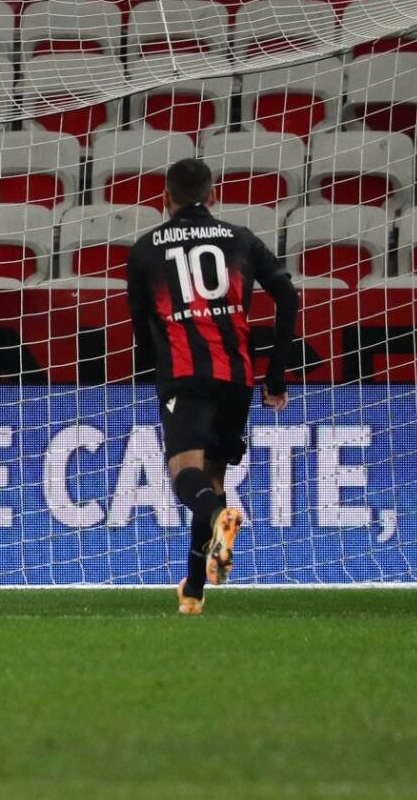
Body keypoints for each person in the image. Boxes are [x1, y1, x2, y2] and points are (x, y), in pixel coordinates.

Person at [124, 159, 299, 615]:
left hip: (184, 373)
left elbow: (142, 325)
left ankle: (219, 524)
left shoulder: (145, 249)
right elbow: (288, 295)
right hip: (236, 376)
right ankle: (195, 590)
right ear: (213, 195)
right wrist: (275, 374)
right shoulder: (240, 238)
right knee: (213, 481)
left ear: (165, 199)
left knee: (185, 475)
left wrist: (156, 369)